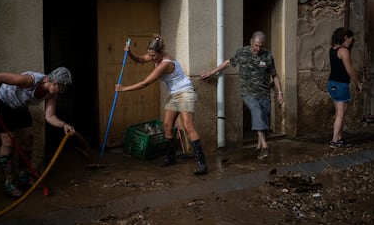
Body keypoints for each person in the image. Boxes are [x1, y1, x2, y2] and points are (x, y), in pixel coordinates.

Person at [115, 34, 208, 175]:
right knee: (167, 126)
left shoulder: (165, 63)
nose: (151, 58)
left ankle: (202, 164)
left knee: (188, 126)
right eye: (150, 55)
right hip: (174, 95)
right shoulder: (155, 56)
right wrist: (130, 53)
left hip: (185, 93)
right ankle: (171, 158)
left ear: (160, 53)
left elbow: (145, 83)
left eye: (153, 56)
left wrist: (123, 89)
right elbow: (140, 59)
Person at [0, 67, 75, 197]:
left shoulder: (51, 93)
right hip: (2, 104)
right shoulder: (30, 80)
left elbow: (50, 116)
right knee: (8, 142)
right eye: (61, 88)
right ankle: (9, 182)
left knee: (28, 138)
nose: (60, 92)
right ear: (55, 83)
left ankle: (24, 176)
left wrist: (64, 125)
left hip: (20, 107)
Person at [201, 31, 283, 159]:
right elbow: (228, 62)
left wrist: (280, 93)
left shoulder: (267, 56)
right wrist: (212, 72)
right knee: (256, 111)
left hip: (264, 93)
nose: (258, 48)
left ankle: (259, 146)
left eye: (261, 46)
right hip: (248, 92)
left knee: (263, 118)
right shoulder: (242, 52)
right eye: (256, 45)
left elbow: (274, 75)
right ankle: (265, 146)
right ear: (251, 42)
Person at [327, 27, 363, 148]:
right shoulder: (343, 51)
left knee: (339, 112)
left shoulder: (332, 49)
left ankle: (339, 138)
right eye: (351, 40)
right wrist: (358, 82)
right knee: (341, 114)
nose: (352, 43)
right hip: (340, 85)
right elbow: (349, 70)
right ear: (346, 37)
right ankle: (335, 140)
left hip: (331, 84)